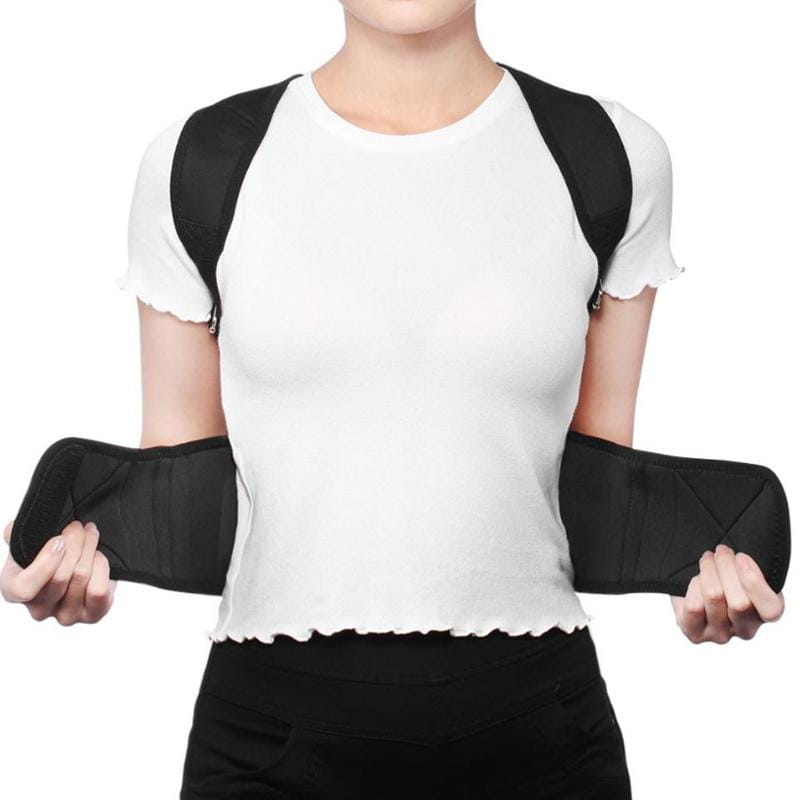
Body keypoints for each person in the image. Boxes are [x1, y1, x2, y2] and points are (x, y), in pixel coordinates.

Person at [1, 2, 786, 798]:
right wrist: (81, 566)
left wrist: (694, 586)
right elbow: (184, 489)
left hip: (537, 736)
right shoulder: (199, 161)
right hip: (271, 740)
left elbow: (594, 485)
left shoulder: (609, 155)